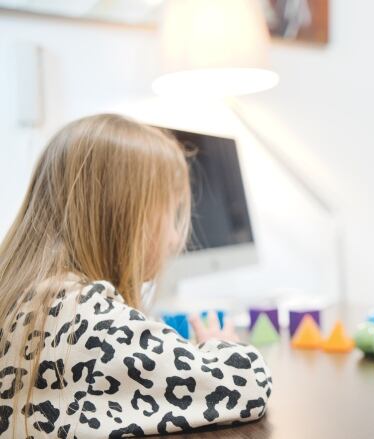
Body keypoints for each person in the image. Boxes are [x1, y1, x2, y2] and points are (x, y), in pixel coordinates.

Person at [0, 114, 271, 438]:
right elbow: (245, 384)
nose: (175, 239)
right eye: (170, 214)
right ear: (130, 218)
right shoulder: (83, 317)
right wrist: (221, 346)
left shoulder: (34, 298)